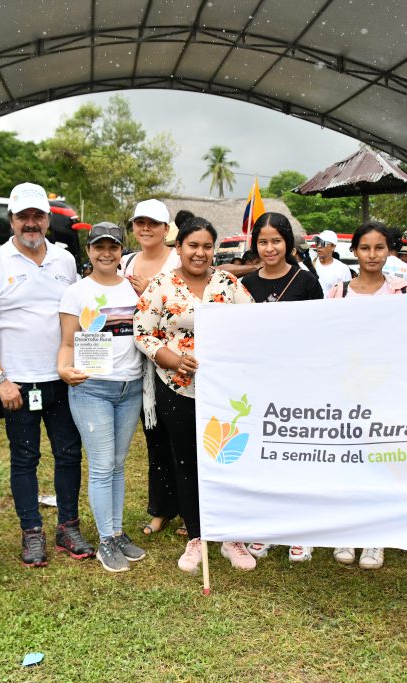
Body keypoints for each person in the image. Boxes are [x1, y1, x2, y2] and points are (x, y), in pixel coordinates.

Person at [0, 182, 93, 567]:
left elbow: (77, 314)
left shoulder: (65, 260)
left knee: (69, 454)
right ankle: (32, 533)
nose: (30, 223)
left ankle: (67, 527)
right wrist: (0, 380)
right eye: (23, 216)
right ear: (11, 220)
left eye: (37, 216)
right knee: (25, 458)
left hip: (61, 377)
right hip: (18, 385)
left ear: (46, 218)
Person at [134, 217, 254, 573]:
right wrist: (171, 359)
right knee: (186, 461)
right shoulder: (161, 285)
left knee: (227, 458)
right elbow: (143, 332)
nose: (200, 253)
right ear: (179, 248)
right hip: (177, 389)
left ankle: (232, 537)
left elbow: (253, 325)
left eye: (206, 246)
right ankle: (197, 536)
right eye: (193, 246)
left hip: (224, 392)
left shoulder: (229, 284)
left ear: (213, 250)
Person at [58, 222, 146, 573]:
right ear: (89, 251)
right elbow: (66, 342)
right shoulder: (76, 292)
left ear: (121, 250)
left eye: (113, 246)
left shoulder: (134, 290)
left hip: (130, 387)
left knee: (118, 464)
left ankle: (118, 530)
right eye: (99, 247)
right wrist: (64, 368)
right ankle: (106, 540)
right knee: (101, 464)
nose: (106, 253)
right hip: (92, 387)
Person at [240, 213, 322, 563]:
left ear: (288, 242)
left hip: (298, 385)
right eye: (263, 241)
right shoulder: (245, 286)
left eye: (276, 240)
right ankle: (267, 526)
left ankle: (301, 530)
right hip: (258, 386)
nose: (270, 248)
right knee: (264, 457)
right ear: (254, 244)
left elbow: (323, 332)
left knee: (297, 456)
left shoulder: (307, 282)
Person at [327, 221, 407, 569]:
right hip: (346, 390)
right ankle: (348, 530)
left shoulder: (403, 292)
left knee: (380, 461)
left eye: (379, 248)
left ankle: (376, 537)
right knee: (348, 460)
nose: (372, 255)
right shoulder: (337, 292)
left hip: (385, 389)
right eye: (365, 248)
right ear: (355, 251)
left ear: (388, 250)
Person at [119, 199, 184, 538]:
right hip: (140, 364)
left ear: (165, 228)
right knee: (155, 438)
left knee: (182, 440)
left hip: (177, 363)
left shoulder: (178, 259)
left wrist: (151, 294)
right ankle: (161, 509)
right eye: (139, 223)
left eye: (153, 223)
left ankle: (190, 511)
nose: (145, 229)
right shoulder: (126, 261)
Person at [311, 229, 352, 297]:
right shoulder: (310, 265)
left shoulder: (343, 269)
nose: (318, 246)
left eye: (323, 243)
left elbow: (347, 295)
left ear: (333, 246)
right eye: (317, 242)